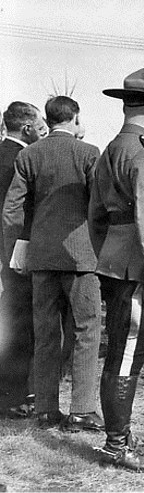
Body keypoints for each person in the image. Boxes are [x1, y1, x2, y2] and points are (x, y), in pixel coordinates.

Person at [88, 67, 144, 472]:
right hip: (138, 269)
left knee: (120, 354)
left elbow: (95, 216)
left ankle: (120, 435)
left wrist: (107, 256)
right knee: (126, 358)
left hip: (114, 262)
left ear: (126, 106)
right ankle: (115, 444)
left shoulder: (109, 149)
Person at [3, 96, 103, 431]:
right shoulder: (89, 153)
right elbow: (99, 207)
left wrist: (13, 254)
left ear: (48, 118)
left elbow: (12, 211)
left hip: (41, 258)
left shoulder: (28, 154)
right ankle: (82, 408)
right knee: (86, 331)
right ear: (75, 117)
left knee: (46, 333)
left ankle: (46, 407)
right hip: (81, 257)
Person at [0, 101, 47, 419]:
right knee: (18, 323)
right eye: (39, 126)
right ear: (27, 128)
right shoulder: (21, 159)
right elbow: (14, 212)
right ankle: (13, 395)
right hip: (13, 250)